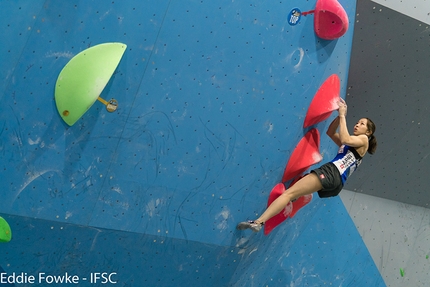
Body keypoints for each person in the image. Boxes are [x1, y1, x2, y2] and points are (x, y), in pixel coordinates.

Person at [237, 98, 377, 232]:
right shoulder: (351, 148)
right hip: (335, 181)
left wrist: (342, 115)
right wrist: (337, 114)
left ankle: (258, 222)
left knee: (288, 194)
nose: (357, 125)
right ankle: (298, 198)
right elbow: (330, 132)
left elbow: (346, 138)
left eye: (362, 124)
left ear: (368, 132)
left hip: (332, 173)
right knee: (293, 193)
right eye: (358, 122)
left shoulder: (364, 139)